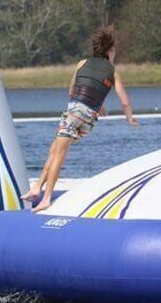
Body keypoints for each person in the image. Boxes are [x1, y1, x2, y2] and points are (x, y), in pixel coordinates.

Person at [22, 26, 138, 212]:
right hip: (88, 120)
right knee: (55, 148)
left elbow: (72, 91)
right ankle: (37, 188)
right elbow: (125, 101)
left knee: (58, 153)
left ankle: (46, 198)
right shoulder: (113, 72)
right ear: (109, 51)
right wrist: (130, 119)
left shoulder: (82, 64)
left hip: (74, 113)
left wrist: (84, 103)